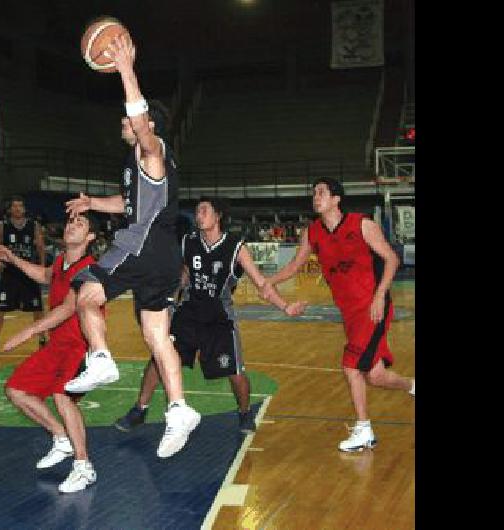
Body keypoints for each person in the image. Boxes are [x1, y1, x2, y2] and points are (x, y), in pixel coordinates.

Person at [64, 33, 199, 459]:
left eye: (128, 120)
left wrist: (126, 71)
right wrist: (91, 203)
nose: (123, 123)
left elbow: (142, 126)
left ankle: (100, 357)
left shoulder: (152, 151)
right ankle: (179, 408)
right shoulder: (140, 169)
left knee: (84, 291)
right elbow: (125, 203)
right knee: (157, 336)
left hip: (141, 246)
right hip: (162, 256)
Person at [114, 197, 307, 434]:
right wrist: (169, 298)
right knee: (158, 359)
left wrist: (285, 306)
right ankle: (140, 409)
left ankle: (244, 413)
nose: (198, 215)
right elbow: (183, 275)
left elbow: (261, 284)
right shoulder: (188, 242)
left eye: (204, 210)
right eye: (197, 211)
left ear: (218, 216)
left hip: (218, 318)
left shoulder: (237, 247)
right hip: (187, 314)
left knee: (234, 372)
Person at [262, 177, 415, 453]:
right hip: (349, 313)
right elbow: (296, 265)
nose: (315, 197)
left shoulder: (362, 225)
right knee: (375, 376)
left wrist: (380, 294)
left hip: (372, 307)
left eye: (321, 192)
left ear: (336, 199)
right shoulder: (313, 233)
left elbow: (392, 258)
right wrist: (269, 282)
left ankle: (364, 429)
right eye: (313, 193)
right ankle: (413, 386)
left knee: (351, 365)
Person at [0, 211, 100, 493]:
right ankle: (61, 437)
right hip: (57, 346)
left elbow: (67, 308)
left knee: (62, 397)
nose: (71, 226)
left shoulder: (90, 268)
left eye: (80, 224)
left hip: (81, 346)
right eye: (70, 221)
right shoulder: (62, 261)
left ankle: (83, 465)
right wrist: (12, 259)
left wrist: (28, 331)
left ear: (89, 237)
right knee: (16, 390)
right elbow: (44, 275)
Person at [0, 196, 47, 356]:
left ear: (24, 209)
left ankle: (43, 340)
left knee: (37, 308)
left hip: (28, 271)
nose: (18, 209)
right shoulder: (2, 226)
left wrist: (43, 266)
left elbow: (40, 246)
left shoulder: (34, 225)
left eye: (20, 206)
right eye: (15, 206)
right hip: (10, 272)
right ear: (10, 209)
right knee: (1, 308)